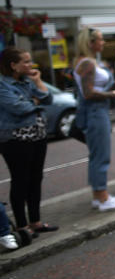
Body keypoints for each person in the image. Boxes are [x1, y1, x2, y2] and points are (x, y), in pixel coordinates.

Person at [0, 48, 57, 237]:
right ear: (13, 65)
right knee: (20, 180)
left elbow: (48, 98)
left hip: (37, 135)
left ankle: (35, 221)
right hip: (15, 139)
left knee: (36, 178)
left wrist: (38, 81)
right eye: (25, 62)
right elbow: (17, 108)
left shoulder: (27, 82)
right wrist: (35, 104)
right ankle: (22, 226)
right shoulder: (3, 85)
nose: (30, 65)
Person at [73, 28, 115, 211]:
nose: (103, 42)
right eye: (100, 39)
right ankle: (102, 198)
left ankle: (99, 196)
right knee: (101, 156)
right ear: (90, 43)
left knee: (97, 155)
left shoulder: (88, 62)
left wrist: (112, 84)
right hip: (95, 112)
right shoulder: (87, 63)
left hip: (98, 111)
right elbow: (88, 93)